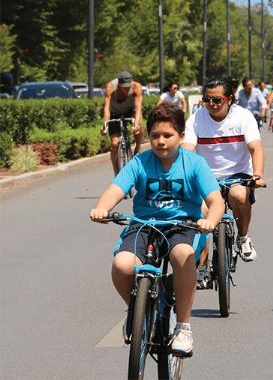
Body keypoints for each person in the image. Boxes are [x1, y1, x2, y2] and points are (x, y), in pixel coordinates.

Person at [89, 104, 225, 357]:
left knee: (183, 254)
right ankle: (139, 312)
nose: (160, 142)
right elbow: (116, 190)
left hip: (182, 225)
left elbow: (216, 201)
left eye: (167, 135)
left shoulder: (194, 163)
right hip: (143, 225)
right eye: (154, 136)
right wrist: (101, 208)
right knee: (122, 265)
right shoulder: (140, 162)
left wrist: (211, 221)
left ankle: (184, 326)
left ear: (181, 136)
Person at [182, 78, 265, 265]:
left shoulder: (243, 117)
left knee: (239, 195)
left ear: (229, 99)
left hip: (238, 176)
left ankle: (243, 237)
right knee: (201, 212)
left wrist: (257, 175)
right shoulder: (196, 119)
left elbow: (255, 148)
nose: (211, 104)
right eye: (207, 99)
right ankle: (201, 263)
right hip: (206, 178)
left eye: (217, 100)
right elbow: (187, 150)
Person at [103, 71, 144, 175]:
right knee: (114, 143)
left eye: (128, 87)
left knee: (139, 127)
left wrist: (136, 124)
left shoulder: (136, 87)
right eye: (124, 87)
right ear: (119, 84)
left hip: (130, 111)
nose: (126, 89)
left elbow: (138, 108)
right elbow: (107, 107)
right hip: (114, 113)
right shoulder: (111, 87)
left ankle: (137, 148)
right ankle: (117, 173)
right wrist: (105, 124)